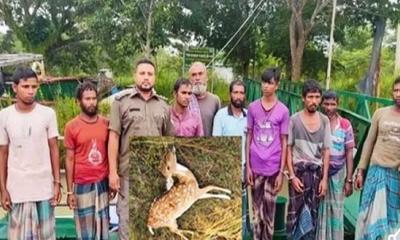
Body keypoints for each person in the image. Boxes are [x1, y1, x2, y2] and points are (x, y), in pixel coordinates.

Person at [108, 58, 174, 240]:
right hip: (128, 174)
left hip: (155, 175)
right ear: (135, 75)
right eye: (142, 73)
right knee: (128, 223)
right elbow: (113, 137)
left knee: (153, 221)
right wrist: (112, 173)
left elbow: (169, 141)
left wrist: (170, 172)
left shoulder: (163, 105)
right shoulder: (121, 102)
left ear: (155, 77)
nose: (146, 77)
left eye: (150, 74)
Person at [0, 67, 61, 239]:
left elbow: (54, 149)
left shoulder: (48, 114)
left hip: (43, 188)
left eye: (34, 87)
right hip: (17, 190)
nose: (30, 91)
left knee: (46, 235)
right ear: (14, 87)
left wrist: (57, 183)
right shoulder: (4, 116)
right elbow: (2, 154)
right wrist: (3, 189)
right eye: (25, 87)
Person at [246, 68, 290, 239]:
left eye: (270, 83)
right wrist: (248, 167)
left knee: (269, 214)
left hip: (273, 167)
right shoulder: (252, 107)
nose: (266, 86)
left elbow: (284, 141)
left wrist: (281, 172)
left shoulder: (283, 111)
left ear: (277, 85)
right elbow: (249, 135)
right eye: (263, 82)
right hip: (255, 167)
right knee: (257, 212)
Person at [354, 77, 400, 239]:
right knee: (368, 216)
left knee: (392, 221)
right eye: (396, 90)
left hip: (395, 176)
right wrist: (360, 171)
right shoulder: (380, 113)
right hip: (375, 172)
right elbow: (368, 142)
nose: (398, 94)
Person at [64, 81, 110, 239]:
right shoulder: (71, 127)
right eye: (87, 98)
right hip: (82, 185)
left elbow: (111, 154)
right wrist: (70, 191)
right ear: (78, 101)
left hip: (102, 183)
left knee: (103, 228)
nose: (91, 102)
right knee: (85, 232)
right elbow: (69, 160)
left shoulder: (106, 124)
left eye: (94, 98)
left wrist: (112, 181)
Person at [286, 79, 330, 240]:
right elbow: (288, 149)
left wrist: (324, 179)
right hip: (299, 173)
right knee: (295, 214)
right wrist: (292, 176)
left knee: (312, 215)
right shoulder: (294, 120)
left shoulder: (324, 121)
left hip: (316, 175)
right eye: (310, 97)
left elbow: (326, 151)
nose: (314, 101)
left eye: (317, 97)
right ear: (303, 98)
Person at [212, 79, 249, 238]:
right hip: (226, 170)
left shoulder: (249, 116)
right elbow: (216, 144)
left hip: (243, 170)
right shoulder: (220, 115)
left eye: (241, 93)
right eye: (235, 92)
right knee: (225, 210)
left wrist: (248, 169)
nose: (238, 96)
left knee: (241, 211)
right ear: (230, 94)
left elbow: (251, 145)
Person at [316, 90, 355, 239]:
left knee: (336, 210)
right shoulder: (316, 122)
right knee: (320, 209)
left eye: (333, 104)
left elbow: (349, 153)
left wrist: (349, 179)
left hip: (338, 174)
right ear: (322, 104)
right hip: (319, 174)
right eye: (326, 104)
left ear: (338, 105)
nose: (329, 108)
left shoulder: (345, 125)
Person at [188, 62, 221, 136]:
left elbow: (219, 127)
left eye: (200, 74)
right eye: (194, 75)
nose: (197, 78)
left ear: (206, 78)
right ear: (189, 80)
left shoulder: (215, 100)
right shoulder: (185, 100)